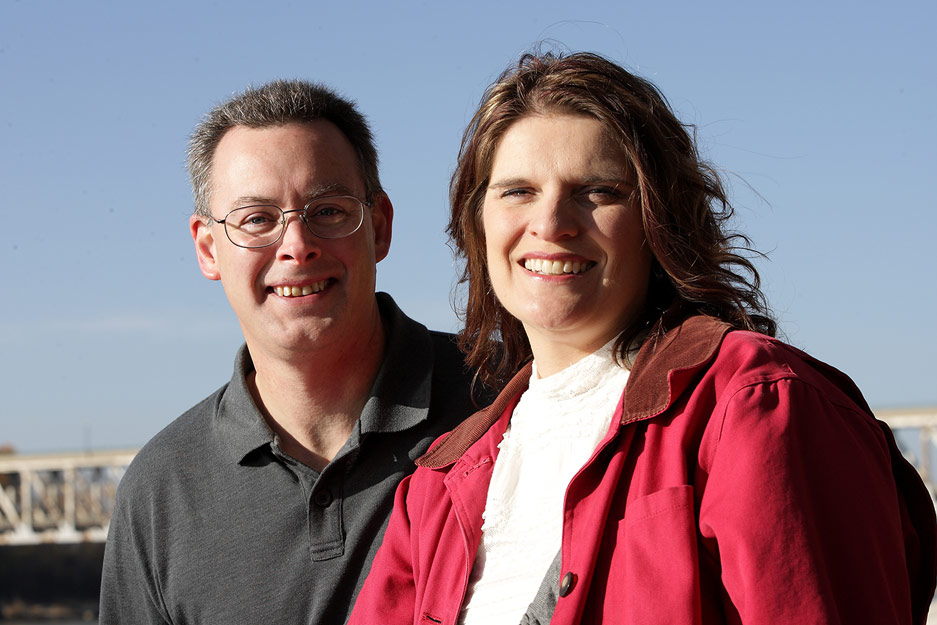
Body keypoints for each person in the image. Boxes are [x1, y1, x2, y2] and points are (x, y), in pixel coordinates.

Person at [349, 52, 937, 625]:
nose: (551, 222)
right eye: (517, 191)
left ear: (659, 220)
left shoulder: (754, 406)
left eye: (598, 191)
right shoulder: (437, 487)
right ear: (477, 223)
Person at [99, 80, 487, 624]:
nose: (297, 244)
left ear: (379, 227)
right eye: (256, 219)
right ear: (208, 249)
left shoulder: (508, 398)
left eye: (327, 210)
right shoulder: (161, 490)